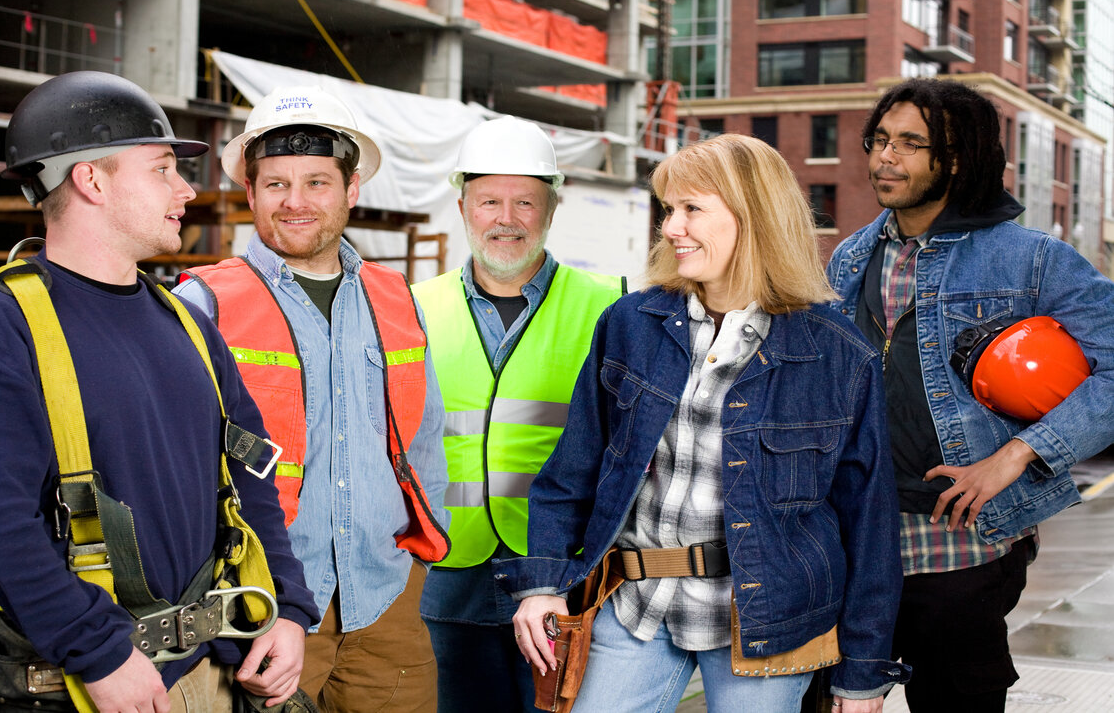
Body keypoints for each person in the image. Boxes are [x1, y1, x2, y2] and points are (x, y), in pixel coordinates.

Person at [0, 71, 318, 711]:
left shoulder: (186, 323)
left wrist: (288, 608)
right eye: (162, 168)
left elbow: (250, 475)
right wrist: (99, 654)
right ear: (92, 180)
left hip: (216, 668)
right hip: (90, 683)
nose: (186, 190)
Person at [501, 134, 910, 713]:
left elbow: (868, 523)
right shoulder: (631, 324)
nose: (670, 227)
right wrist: (541, 585)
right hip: (635, 601)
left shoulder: (837, 352)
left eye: (692, 209)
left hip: (771, 618)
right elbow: (573, 470)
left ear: (755, 218)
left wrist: (863, 674)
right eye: (669, 209)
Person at [827, 77, 1114, 712]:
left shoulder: (1031, 259)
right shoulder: (851, 257)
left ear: (957, 159)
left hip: (961, 543)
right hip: (854, 537)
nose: (883, 158)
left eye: (908, 143)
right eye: (878, 140)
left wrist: (1016, 457)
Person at [174, 85, 451, 711]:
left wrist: (415, 568)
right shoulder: (205, 304)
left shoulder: (397, 299)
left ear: (351, 190)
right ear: (250, 194)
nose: (295, 202)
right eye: (275, 185)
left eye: (317, 183)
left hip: (387, 603)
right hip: (260, 608)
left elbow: (425, 438)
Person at [413, 116, 625, 712]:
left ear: (551, 209)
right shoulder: (412, 308)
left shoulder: (611, 305)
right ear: (462, 207)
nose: (505, 218)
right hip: (449, 568)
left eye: (524, 201)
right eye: (489, 201)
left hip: (566, 571)